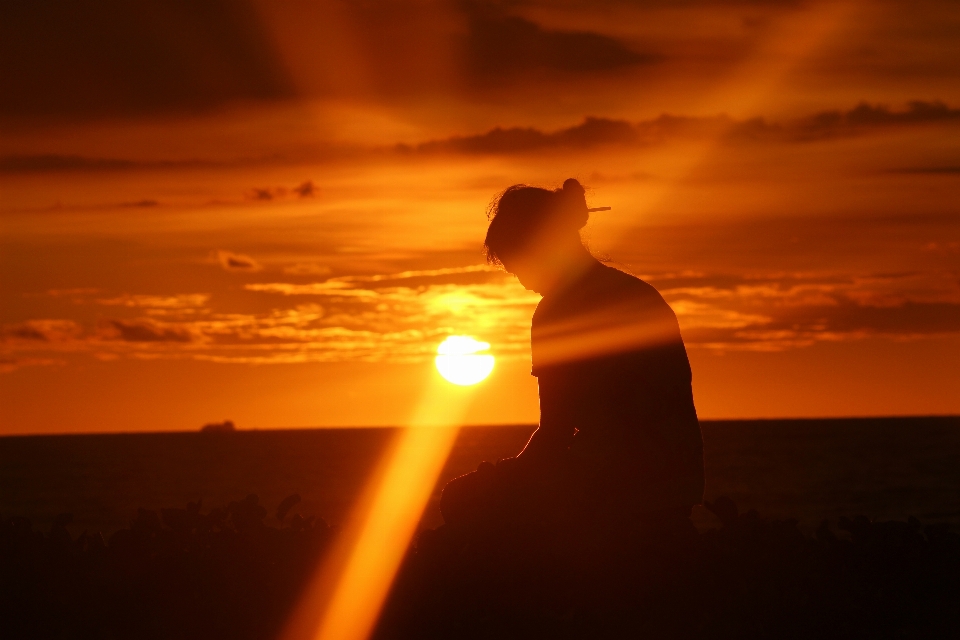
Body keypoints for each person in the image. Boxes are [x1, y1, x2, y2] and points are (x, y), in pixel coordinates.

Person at [441, 178, 703, 529]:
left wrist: (501, 475)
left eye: (518, 264)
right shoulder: (637, 293)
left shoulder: (556, 313)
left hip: (617, 488)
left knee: (461, 498)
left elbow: (555, 433)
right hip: (676, 483)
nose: (521, 280)